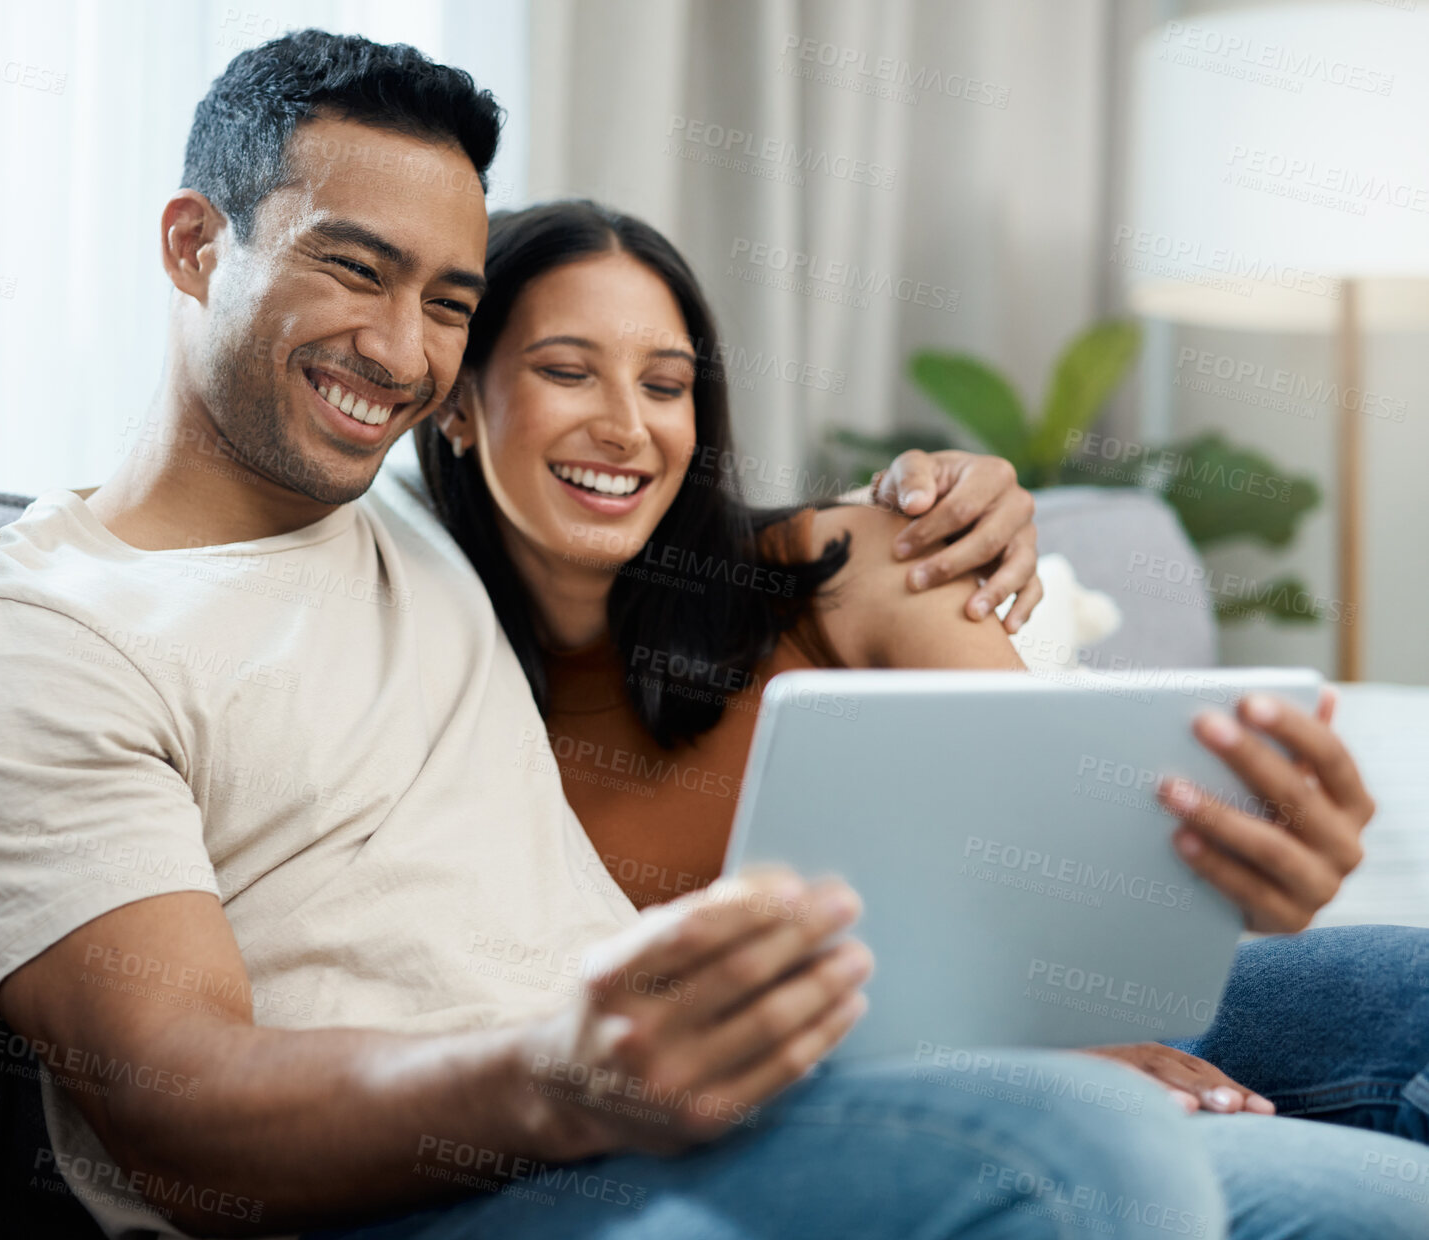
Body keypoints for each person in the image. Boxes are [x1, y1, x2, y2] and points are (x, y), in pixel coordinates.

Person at [0, 31, 1425, 1240]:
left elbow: (685, 539)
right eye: (351, 267)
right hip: (441, 1192)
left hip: (697, 1098)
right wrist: (560, 1077)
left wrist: (952, 495)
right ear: (187, 244)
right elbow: (177, 1104)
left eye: (445, 302)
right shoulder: (40, 640)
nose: (399, 349)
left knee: (1398, 1004)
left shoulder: (414, 534)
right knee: (1078, 1145)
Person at [414, 196, 1429, 1134]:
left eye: (665, 384)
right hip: (843, 1100)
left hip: (1085, 1019)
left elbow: (1063, 858)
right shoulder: (428, 680)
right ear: (457, 404)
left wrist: (1231, 882)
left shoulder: (856, 569)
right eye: (564, 369)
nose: (628, 426)